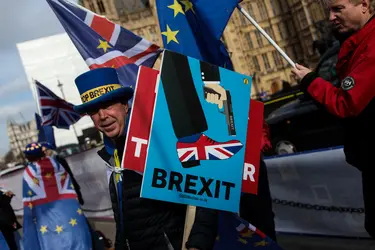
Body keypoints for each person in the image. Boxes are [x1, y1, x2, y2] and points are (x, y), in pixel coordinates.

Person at [73, 67, 217, 250]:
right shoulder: (112, 156)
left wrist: (197, 244)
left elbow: (206, 192)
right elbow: (125, 220)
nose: (102, 116)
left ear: (125, 106)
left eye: (108, 105)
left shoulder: (158, 139)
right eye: (94, 111)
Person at [291, 0, 375, 238]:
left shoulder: (371, 46)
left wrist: (310, 81)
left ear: (364, 5)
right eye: (328, 10)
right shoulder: (356, 44)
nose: (330, 17)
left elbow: (346, 103)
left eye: (338, 8)